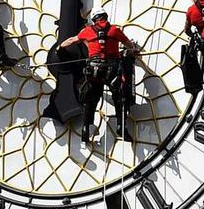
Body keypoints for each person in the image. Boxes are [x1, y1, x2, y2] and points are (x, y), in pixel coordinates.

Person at [56, 9, 142, 139]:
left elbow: (72, 40)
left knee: (91, 99)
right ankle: (121, 126)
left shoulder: (88, 31)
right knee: (119, 98)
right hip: (112, 69)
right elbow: (128, 44)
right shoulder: (115, 30)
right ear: (105, 17)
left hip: (94, 70)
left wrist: (60, 47)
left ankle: (86, 128)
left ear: (94, 19)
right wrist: (133, 49)